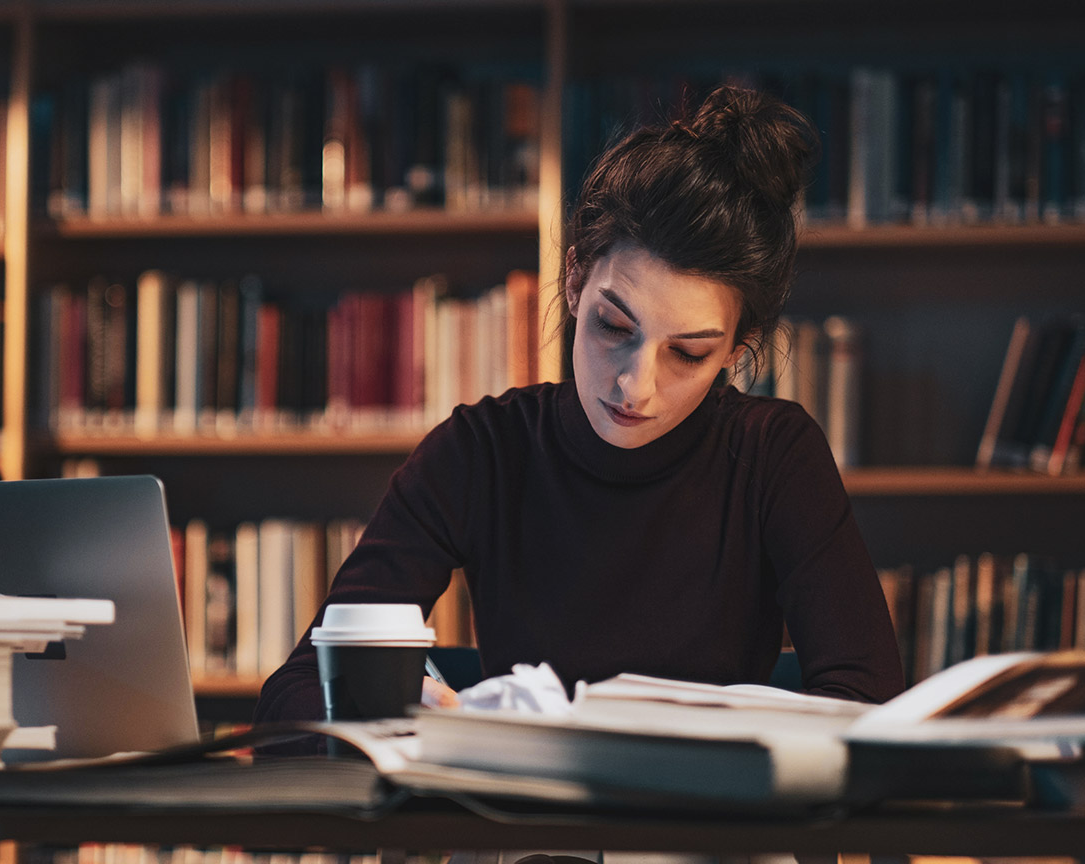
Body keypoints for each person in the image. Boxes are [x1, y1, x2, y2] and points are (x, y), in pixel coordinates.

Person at [255, 84, 905, 726]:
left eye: (688, 354)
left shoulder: (774, 456)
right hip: (520, 828)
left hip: (703, 829)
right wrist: (406, 726)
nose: (634, 386)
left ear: (738, 349)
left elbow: (868, 703)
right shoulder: (480, 451)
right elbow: (298, 695)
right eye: (614, 329)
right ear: (573, 280)